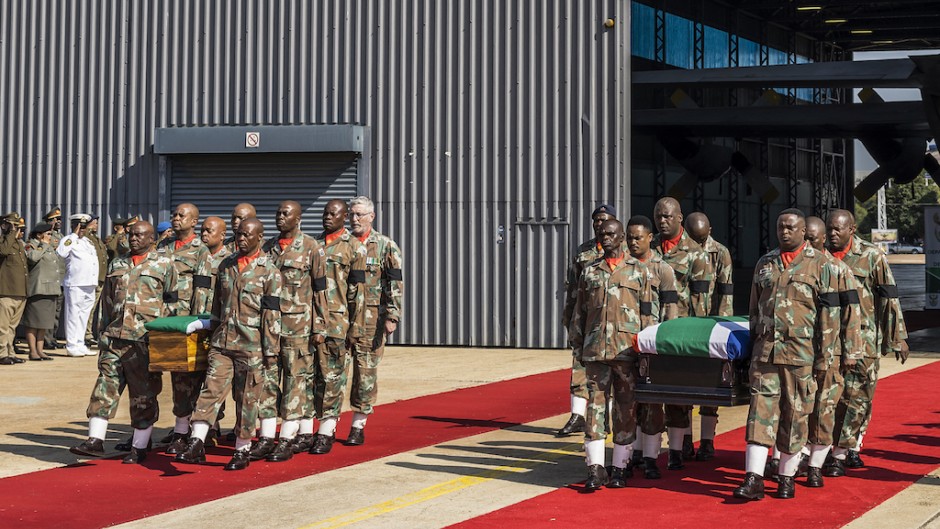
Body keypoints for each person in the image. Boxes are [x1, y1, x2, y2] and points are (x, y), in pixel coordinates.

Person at [733, 208, 841, 500]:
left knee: (796, 416)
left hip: (801, 355)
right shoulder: (765, 263)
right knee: (760, 414)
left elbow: (829, 319)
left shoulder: (822, 265)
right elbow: (754, 309)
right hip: (765, 355)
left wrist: (824, 359)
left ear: (804, 231)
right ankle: (753, 478)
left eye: (791, 227)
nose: (784, 232)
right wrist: (751, 348)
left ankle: (786, 477)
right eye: (781, 227)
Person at [176, 218, 284, 471]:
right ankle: (196, 442)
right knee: (210, 391)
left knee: (246, 399)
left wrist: (271, 351)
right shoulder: (226, 265)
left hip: (253, 346)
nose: (241, 238)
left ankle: (242, 449)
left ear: (260, 237)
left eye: (247, 235)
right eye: (238, 234)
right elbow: (216, 304)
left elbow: (272, 316)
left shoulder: (269, 272)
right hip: (222, 344)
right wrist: (211, 331)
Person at [69, 221, 178, 464]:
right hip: (114, 336)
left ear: (152, 239)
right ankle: (95, 440)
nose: (133, 238)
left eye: (140, 235)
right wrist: (103, 331)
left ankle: (139, 446)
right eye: (131, 234)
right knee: (105, 386)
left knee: (143, 393)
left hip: (144, 339)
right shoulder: (118, 262)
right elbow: (107, 301)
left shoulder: (164, 264)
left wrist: (164, 337)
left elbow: (173, 303)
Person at [824, 209, 908, 477]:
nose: (832, 234)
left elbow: (888, 298)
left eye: (838, 229)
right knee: (830, 398)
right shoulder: (818, 256)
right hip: (829, 341)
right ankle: (832, 451)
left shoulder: (871, 256)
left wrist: (898, 337)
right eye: (830, 228)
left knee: (858, 398)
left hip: (865, 340)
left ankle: (848, 448)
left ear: (852, 229)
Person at [569, 219, 651, 490]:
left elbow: (649, 315)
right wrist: (578, 347)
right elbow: (579, 314)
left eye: (611, 234)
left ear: (622, 238)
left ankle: (620, 467)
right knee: (595, 409)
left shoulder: (639, 271)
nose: (605, 237)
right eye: (602, 234)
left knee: (626, 410)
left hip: (628, 353)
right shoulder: (590, 272)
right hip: (596, 352)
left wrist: (648, 353)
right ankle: (595, 468)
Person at [257, 201, 329, 462]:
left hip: (298, 327)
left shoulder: (311, 248)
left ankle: (287, 438)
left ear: (298, 219)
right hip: (269, 329)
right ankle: (265, 436)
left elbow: (321, 291)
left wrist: (320, 326)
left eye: (286, 213)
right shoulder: (267, 248)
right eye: (277, 213)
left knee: (295, 383)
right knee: (266, 382)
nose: (280, 217)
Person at [800, 216, 862, 487]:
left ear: (822, 238)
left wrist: (851, 352)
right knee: (798, 408)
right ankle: (796, 457)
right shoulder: (793, 269)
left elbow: (852, 316)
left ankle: (816, 464)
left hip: (830, 354)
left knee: (824, 409)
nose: (809, 244)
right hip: (797, 353)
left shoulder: (838, 270)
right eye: (806, 239)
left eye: (813, 239)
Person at [650, 197, 712, 469]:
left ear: (679, 218)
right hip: (651, 332)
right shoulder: (648, 250)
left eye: (667, 217)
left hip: (680, 333)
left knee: (678, 395)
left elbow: (702, 301)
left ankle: (679, 447)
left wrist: (697, 338)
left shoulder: (696, 254)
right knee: (649, 395)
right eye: (658, 216)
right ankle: (647, 451)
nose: (662, 221)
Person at [345, 196, 404, 446]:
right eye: (352, 214)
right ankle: (327, 425)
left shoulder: (385, 246)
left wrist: (392, 315)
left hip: (371, 319)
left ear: (372, 216)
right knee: (333, 373)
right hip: (341, 318)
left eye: (360, 214)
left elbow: (395, 282)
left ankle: (358, 425)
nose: (355, 219)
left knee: (365, 373)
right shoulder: (340, 244)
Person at [310, 199, 366, 455]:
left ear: (344, 217)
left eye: (334, 213)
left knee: (333, 378)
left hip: (337, 323)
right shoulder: (312, 245)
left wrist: (355, 328)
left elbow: (358, 293)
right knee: (310, 378)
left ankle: (327, 429)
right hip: (309, 323)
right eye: (325, 213)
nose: (328, 217)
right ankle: (306, 429)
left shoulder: (354, 248)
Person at [557, 204, 617, 437]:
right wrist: (570, 316)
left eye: (604, 220)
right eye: (596, 220)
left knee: (612, 367)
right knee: (579, 364)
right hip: (587, 318)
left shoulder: (624, 251)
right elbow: (574, 288)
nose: (599, 224)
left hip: (614, 319)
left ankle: (608, 416)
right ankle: (577, 415)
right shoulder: (584, 252)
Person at [625, 215, 678, 478]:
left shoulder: (662, 269)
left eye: (638, 237)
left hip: (652, 347)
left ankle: (649, 458)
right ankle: (630, 454)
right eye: (629, 237)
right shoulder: (621, 267)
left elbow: (671, 310)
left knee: (653, 405)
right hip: (625, 346)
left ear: (649, 238)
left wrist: (666, 346)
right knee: (627, 401)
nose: (633, 242)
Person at [157, 204, 211, 455]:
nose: (176, 219)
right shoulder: (163, 247)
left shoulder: (201, 251)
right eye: (174, 215)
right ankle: (177, 429)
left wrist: (196, 323)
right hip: (165, 322)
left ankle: (188, 431)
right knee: (172, 377)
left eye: (182, 216)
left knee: (188, 379)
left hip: (186, 323)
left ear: (195, 221)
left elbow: (201, 289)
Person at [684, 211, 734, 461]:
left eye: (702, 238)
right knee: (682, 387)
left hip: (711, 327)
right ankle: (683, 441)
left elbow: (726, 293)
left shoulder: (721, 253)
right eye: (694, 238)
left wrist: (722, 327)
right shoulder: (677, 251)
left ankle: (706, 442)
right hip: (685, 327)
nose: (698, 244)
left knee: (710, 391)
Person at [57, 213, 100, 357]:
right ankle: (71, 345)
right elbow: (61, 252)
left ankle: (80, 343)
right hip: (75, 283)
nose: (82, 230)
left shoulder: (88, 242)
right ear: (75, 226)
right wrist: (74, 235)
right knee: (73, 315)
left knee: (84, 315)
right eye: (80, 227)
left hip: (89, 283)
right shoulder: (69, 240)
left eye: (84, 227)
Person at [23, 222, 61, 361]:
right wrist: (43, 245)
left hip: (50, 289)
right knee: (33, 323)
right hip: (38, 289)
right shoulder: (31, 245)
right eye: (48, 234)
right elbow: (32, 258)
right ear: (39, 235)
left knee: (44, 323)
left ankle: (40, 350)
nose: (51, 237)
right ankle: (32, 351)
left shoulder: (48, 247)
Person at [0, 213, 28, 365]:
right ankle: (1, 353)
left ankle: (10, 352)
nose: (16, 229)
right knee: (2, 327)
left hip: (19, 292)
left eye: (17, 226)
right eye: (13, 225)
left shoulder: (18, 244)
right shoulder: (3, 242)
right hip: (6, 291)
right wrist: (10, 232)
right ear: (4, 226)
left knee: (12, 327)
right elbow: (3, 251)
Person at [84, 215, 109, 346]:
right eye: (94, 223)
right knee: (88, 308)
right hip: (92, 278)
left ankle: (88, 333)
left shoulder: (96, 238)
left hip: (100, 277)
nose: (96, 225)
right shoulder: (87, 238)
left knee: (92, 309)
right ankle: (85, 334)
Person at [43, 207, 65, 349]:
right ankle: (46, 339)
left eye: (59, 219)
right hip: (50, 279)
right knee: (48, 312)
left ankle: (53, 337)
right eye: (55, 220)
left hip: (60, 279)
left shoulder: (61, 236)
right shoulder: (45, 236)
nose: (58, 222)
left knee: (57, 311)